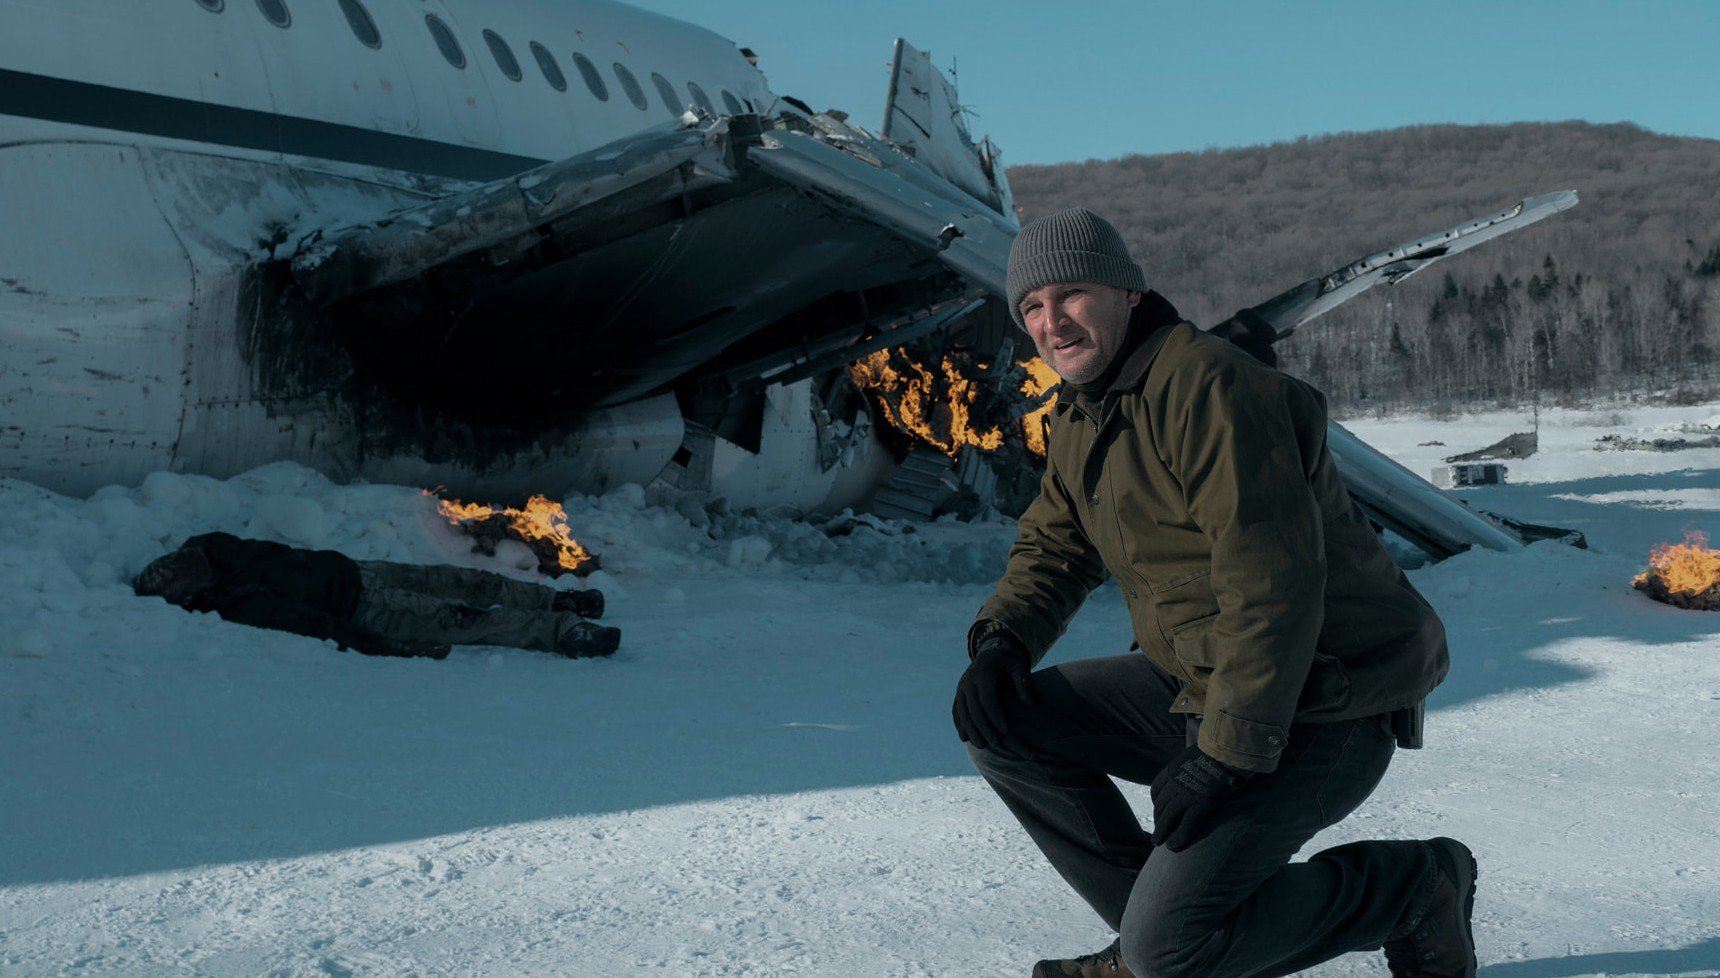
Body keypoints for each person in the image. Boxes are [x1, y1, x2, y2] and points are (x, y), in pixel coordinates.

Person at [953, 209, 1472, 978]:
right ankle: (1154, 945)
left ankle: (1413, 888)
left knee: (1174, 949)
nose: (1051, 322)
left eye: (1071, 294)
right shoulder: (1082, 413)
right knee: (1006, 723)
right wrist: (1001, 643)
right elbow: (1055, 547)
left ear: (1128, 293)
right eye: (1031, 307)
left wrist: (1224, 757)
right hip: (1200, 682)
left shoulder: (1212, 389)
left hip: (1324, 701)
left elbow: (1272, 587)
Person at [133, 531, 617, 660]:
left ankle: (553, 601)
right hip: (370, 607)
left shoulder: (215, 548)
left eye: (181, 557)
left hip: (357, 569)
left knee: (462, 579)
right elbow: (320, 627)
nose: (188, 559)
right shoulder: (242, 604)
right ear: (190, 594)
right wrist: (396, 648)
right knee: (466, 616)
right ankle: (565, 632)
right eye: (181, 570)